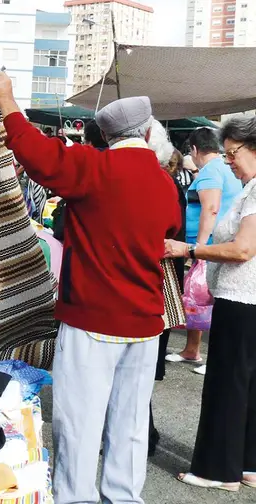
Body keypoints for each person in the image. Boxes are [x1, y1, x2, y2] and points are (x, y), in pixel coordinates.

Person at [0, 72, 179, 504]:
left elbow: (37, 152)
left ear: (105, 136)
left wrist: (7, 101)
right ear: (149, 132)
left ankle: (77, 499)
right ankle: (125, 497)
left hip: (92, 318)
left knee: (80, 422)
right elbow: (168, 236)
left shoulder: (94, 167)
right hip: (146, 321)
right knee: (129, 425)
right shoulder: (165, 184)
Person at [164, 116, 256, 492]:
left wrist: (190, 248)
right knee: (248, 385)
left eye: (232, 153)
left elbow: (243, 248)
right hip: (247, 299)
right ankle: (248, 464)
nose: (228, 161)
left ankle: (218, 470)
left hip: (242, 298)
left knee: (227, 385)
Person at [165, 127, 242, 373]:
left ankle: (215, 359)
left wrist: (195, 249)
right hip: (218, 242)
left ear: (195, 150)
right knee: (198, 299)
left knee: (212, 299)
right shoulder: (226, 168)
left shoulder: (209, 172)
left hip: (208, 245)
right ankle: (192, 349)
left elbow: (211, 208)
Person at [148, 134, 188, 458]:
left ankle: (142, 433)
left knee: (138, 370)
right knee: (144, 369)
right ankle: (144, 434)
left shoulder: (161, 186)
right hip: (162, 280)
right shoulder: (171, 186)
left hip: (154, 281)